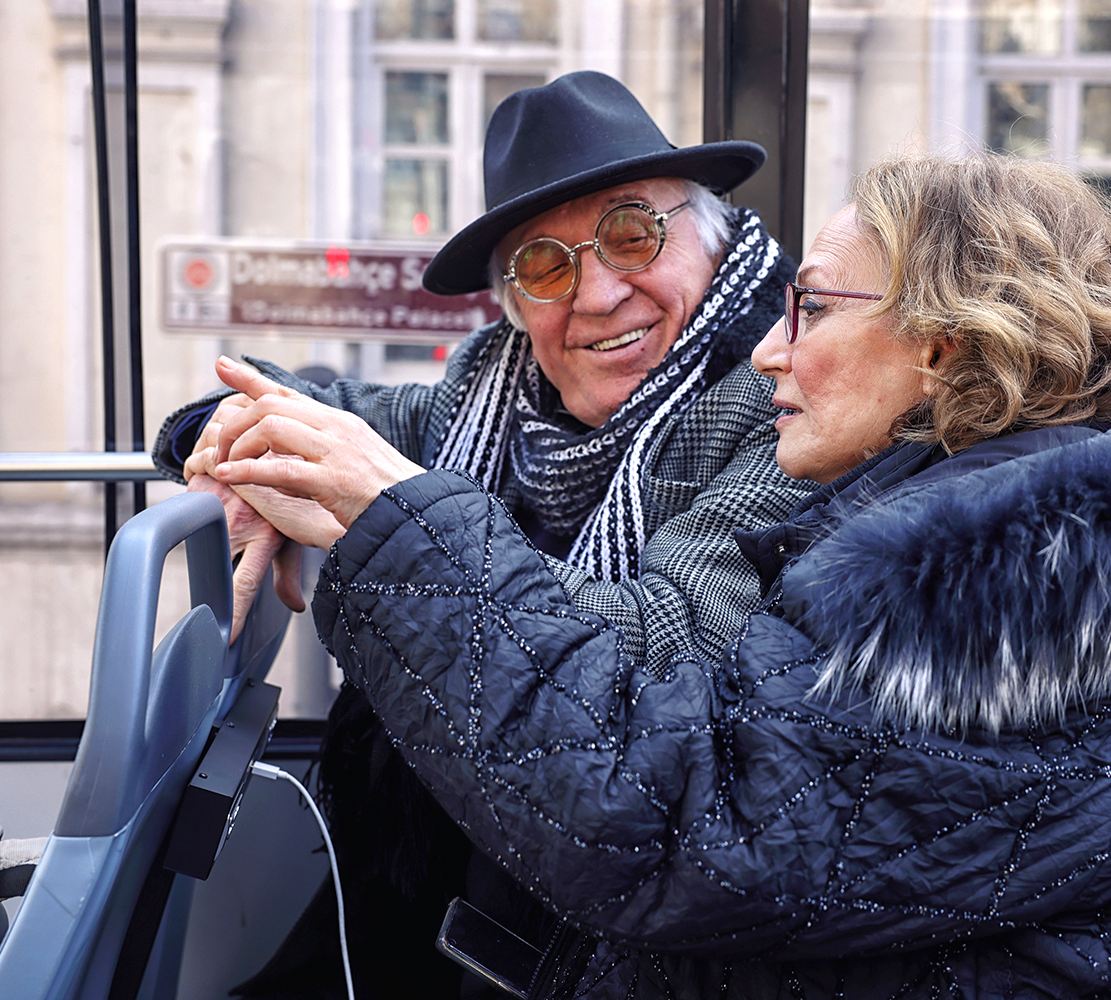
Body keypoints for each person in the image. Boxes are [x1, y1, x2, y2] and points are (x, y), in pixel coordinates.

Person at [206, 153, 1111, 998]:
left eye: (806, 307)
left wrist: (399, 527)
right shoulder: (953, 528)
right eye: (547, 269)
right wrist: (256, 446)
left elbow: (660, 823)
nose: (767, 345)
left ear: (946, 341)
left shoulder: (1018, 603)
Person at [154, 72, 811, 997]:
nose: (596, 293)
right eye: (545, 266)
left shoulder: (783, 404)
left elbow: (666, 639)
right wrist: (224, 434)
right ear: (511, 301)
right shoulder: (499, 395)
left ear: (709, 240)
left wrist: (396, 523)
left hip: (607, 916)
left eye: (632, 234)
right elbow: (323, 409)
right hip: (438, 870)